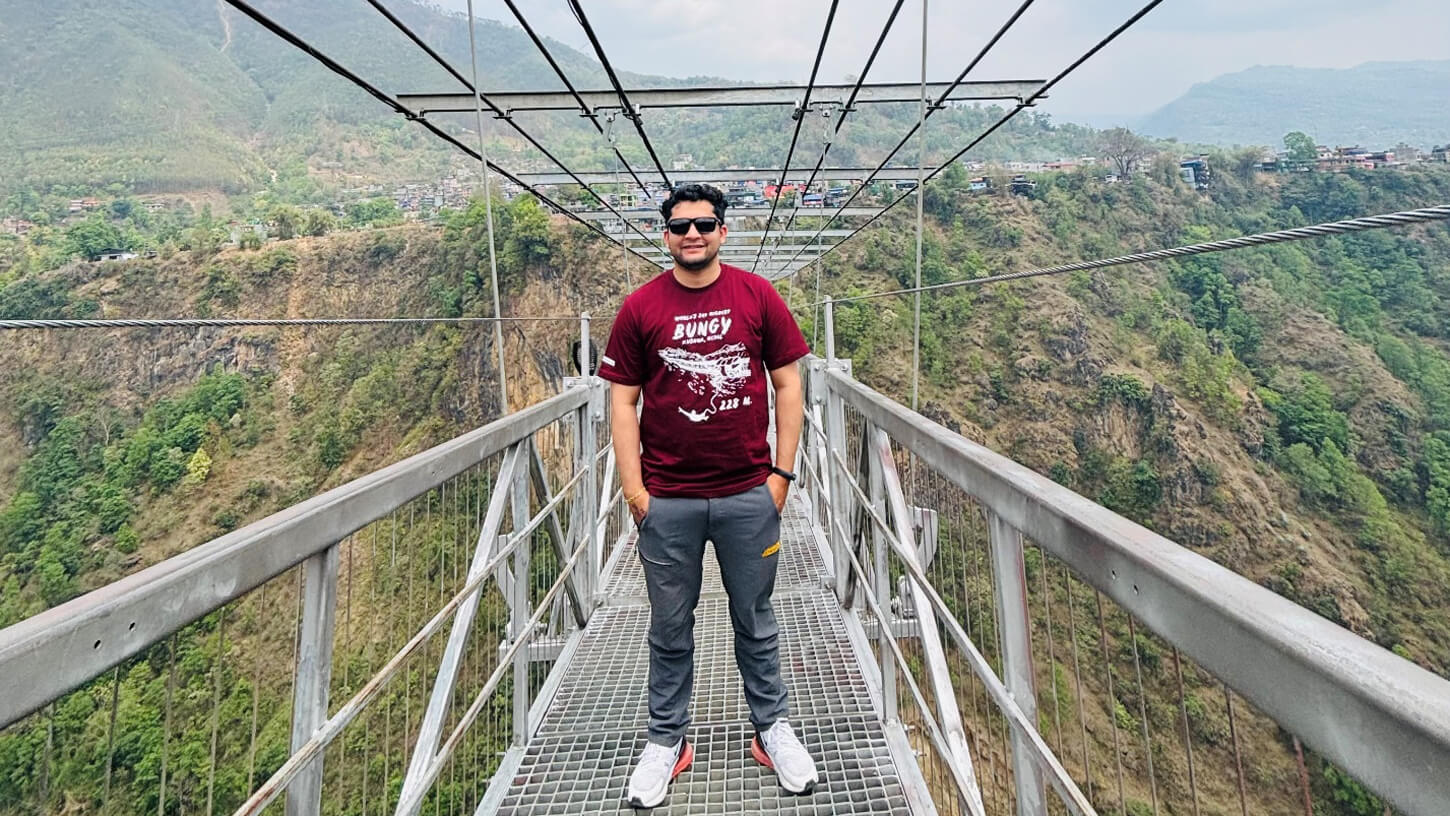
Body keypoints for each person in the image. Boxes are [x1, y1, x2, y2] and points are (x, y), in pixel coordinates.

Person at [598, 183, 818, 808]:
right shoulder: (640, 308)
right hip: (668, 501)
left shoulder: (758, 296)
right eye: (679, 226)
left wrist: (781, 476)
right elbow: (622, 400)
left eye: (703, 224)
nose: (691, 234)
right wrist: (635, 490)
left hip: (750, 492)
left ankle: (771, 731)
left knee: (755, 619)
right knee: (669, 625)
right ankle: (667, 740)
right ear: (664, 235)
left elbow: (789, 385)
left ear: (723, 231)